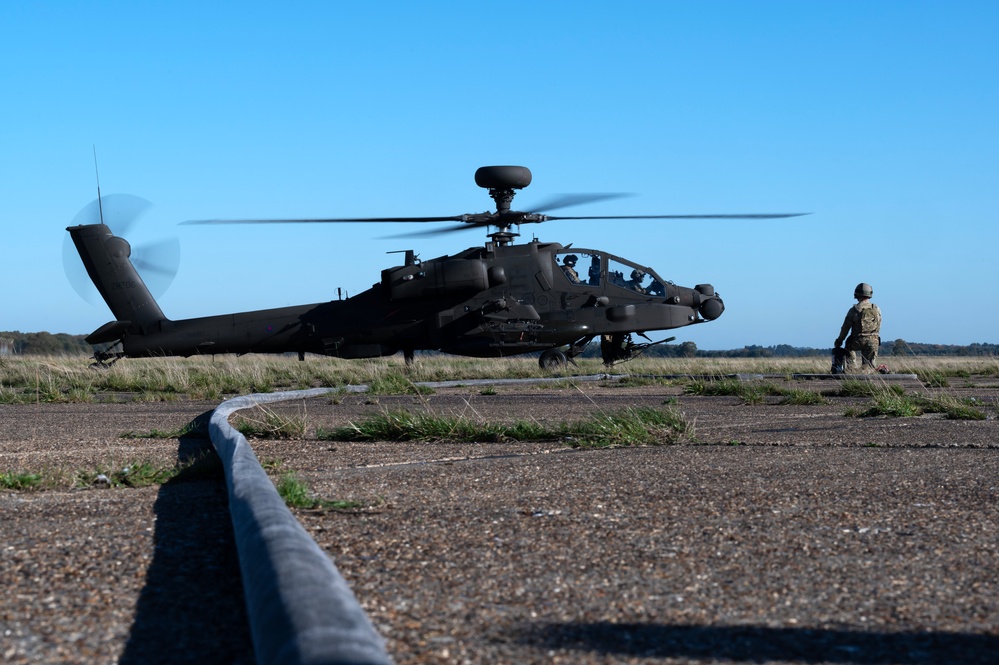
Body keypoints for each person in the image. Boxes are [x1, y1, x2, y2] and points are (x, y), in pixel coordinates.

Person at [834, 283, 882, 373]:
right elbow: (879, 324)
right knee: (869, 366)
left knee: (848, 346)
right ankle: (867, 371)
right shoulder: (876, 309)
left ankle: (851, 368)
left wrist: (839, 340)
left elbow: (845, 328)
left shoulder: (854, 310)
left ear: (856, 294)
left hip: (857, 340)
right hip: (873, 340)